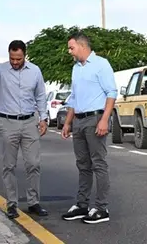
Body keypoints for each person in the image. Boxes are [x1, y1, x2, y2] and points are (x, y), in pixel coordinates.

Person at [0, 40, 49, 219]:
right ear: (8, 55)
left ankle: (33, 202)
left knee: (33, 164)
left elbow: (40, 96)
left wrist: (43, 118)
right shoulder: (1, 69)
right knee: (9, 165)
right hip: (8, 122)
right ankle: (12, 204)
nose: (15, 62)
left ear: (25, 56)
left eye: (19, 59)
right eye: (12, 58)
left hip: (30, 122)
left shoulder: (35, 71)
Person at [60, 32, 117, 224]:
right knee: (83, 165)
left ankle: (102, 208)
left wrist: (104, 119)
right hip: (78, 120)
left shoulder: (101, 64)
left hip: (95, 118)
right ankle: (82, 204)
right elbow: (74, 98)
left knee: (98, 163)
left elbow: (111, 93)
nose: (69, 52)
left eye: (71, 47)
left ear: (82, 46)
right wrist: (68, 122)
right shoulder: (76, 68)